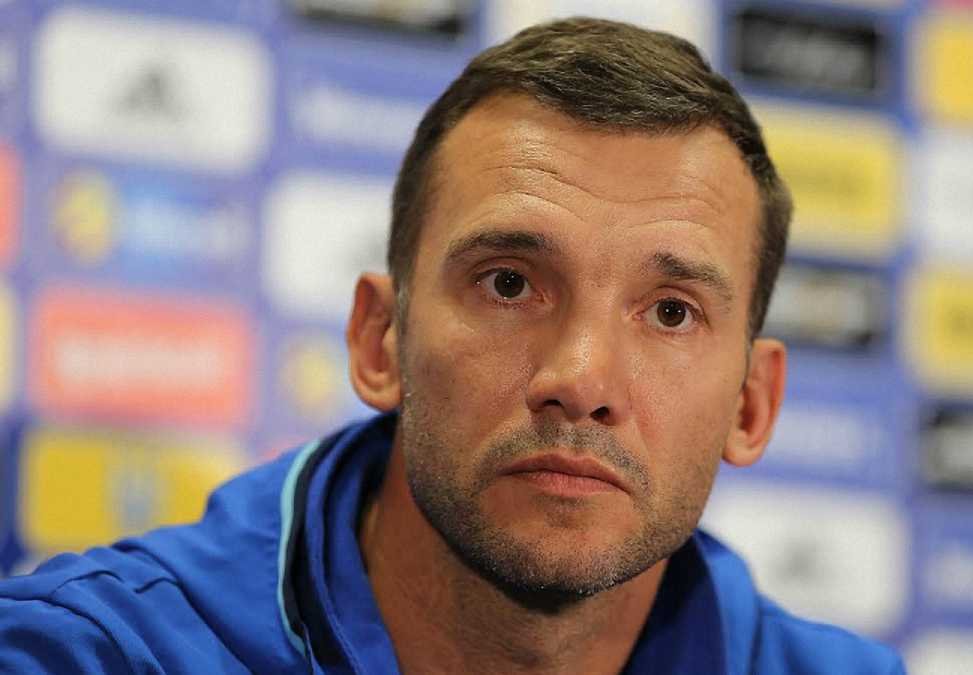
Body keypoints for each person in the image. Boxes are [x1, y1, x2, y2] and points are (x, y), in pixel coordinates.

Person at [0, 17, 905, 674]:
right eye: (509, 283)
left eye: (670, 312)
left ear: (752, 405)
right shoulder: (88, 656)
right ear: (380, 340)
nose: (580, 378)